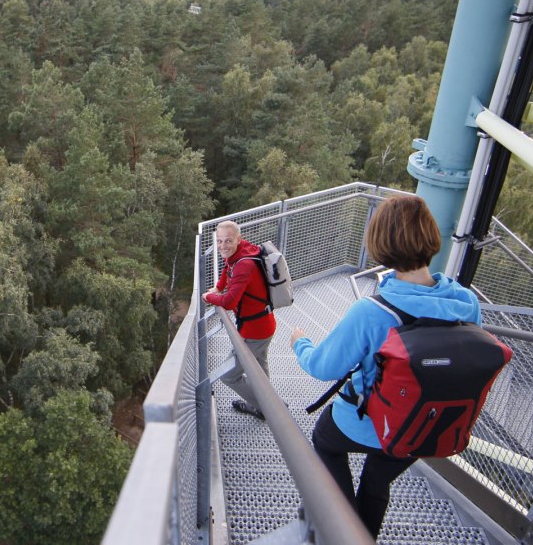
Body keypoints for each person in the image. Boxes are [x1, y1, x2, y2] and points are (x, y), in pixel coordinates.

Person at [289, 195, 482, 538]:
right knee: (378, 478)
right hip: (425, 426)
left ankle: (343, 530)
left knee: (324, 441)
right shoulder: (466, 302)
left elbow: (324, 367)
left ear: (380, 243)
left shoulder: (372, 311)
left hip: (367, 423)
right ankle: (363, 534)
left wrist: (300, 343)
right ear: (430, 237)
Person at [203, 220, 278, 421]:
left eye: (228, 240)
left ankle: (267, 408)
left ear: (238, 238)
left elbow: (229, 302)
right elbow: (228, 268)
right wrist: (218, 287)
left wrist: (209, 297)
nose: (222, 246)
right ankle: (269, 403)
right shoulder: (242, 252)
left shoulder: (244, 264)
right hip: (263, 324)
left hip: (255, 331)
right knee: (259, 370)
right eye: (219, 241)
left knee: (229, 375)